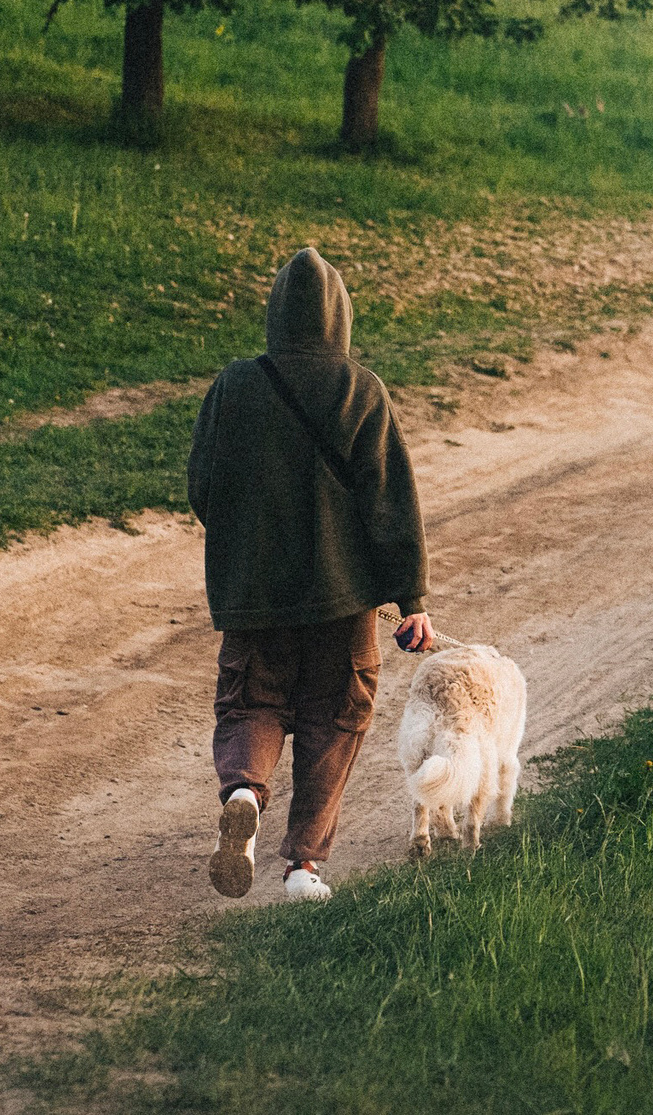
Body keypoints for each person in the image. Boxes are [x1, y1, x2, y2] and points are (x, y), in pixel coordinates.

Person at [187, 247, 433, 902]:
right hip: (343, 600)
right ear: (341, 318)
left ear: (275, 315)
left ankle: (243, 790)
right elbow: (392, 502)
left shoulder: (233, 386)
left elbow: (202, 486)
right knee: (336, 715)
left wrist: (247, 546)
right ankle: (302, 866)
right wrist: (410, 599)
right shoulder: (362, 389)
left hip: (253, 596)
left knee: (251, 701)